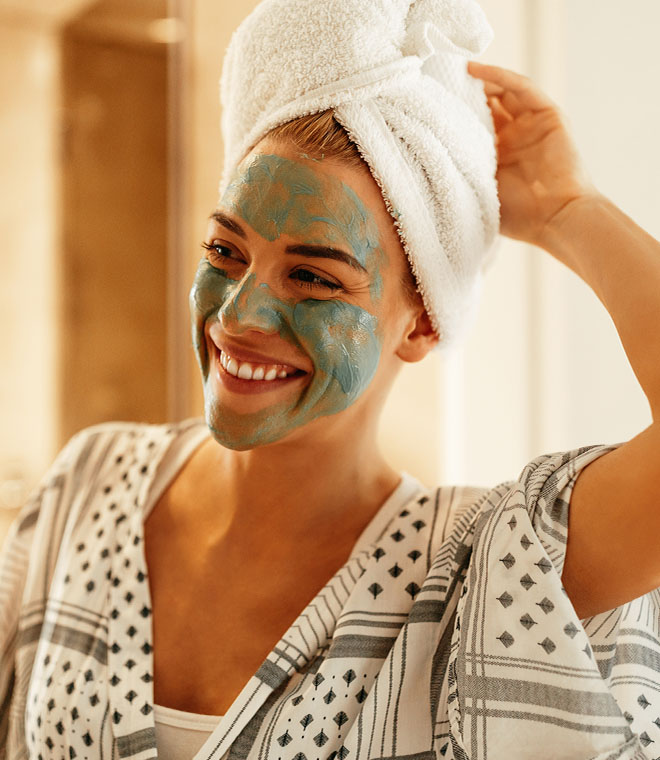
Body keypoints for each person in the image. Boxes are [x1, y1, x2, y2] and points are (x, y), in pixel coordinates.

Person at [2, 1, 660, 759]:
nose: (240, 313)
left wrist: (568, 209)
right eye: (225, 250)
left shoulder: (478, 571)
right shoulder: (89, 483)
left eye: (313, 278)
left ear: (421, 324)